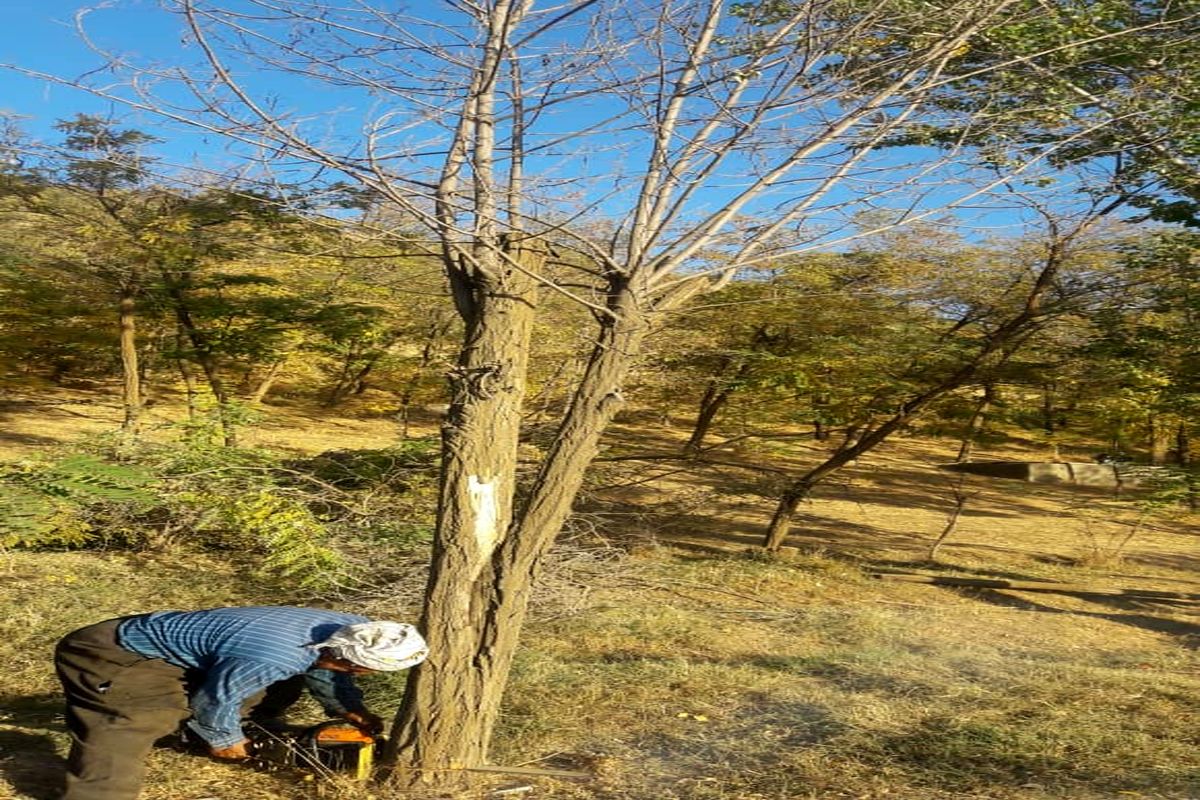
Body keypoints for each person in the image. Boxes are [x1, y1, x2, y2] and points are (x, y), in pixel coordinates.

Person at [54, 605, 428, 800]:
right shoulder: (276, 656)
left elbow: (324, 668)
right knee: (133, 720)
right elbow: (216, 697)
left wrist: (349, 710)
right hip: (113, 651)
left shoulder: (354, 631)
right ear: (348, 658)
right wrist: (222, 738)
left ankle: (221, 733)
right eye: (364, 672)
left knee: (277, 688)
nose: (366, 676)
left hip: (188, 654)